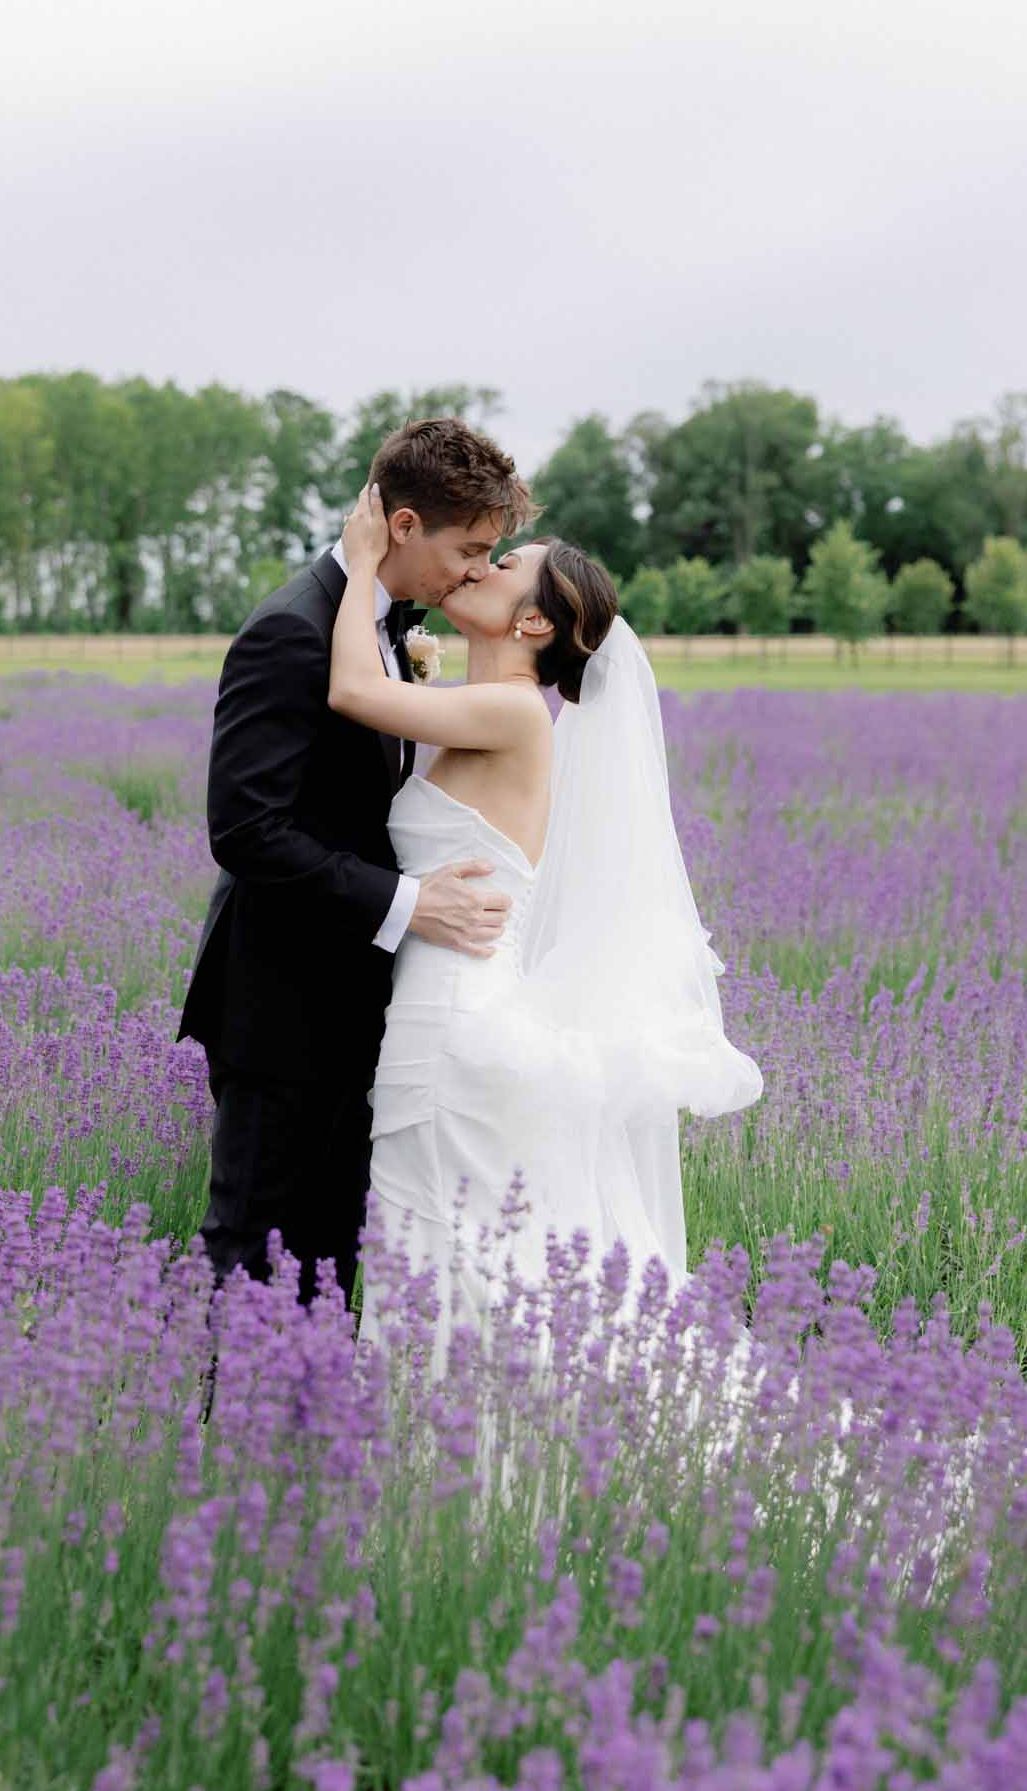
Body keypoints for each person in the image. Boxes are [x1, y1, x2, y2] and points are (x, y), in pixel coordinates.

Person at [327, 484, 765, 1385]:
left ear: (533, 626)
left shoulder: (519, 712)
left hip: (454, 1028)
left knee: (457, 1277)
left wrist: (364, 561)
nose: (483, 566)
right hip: (445, 1016)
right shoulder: (481, 707)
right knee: (454, 1274)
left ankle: (475, 1478)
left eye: (507, 566)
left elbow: (346, 690)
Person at [177, 418, 539, 1324]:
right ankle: (222, 1448)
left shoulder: (382, 629)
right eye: (469, 548)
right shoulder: (291, 631)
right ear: (404, 526)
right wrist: (412, 905)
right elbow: (248, 830)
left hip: (361, 1003)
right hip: (281, 1005)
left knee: (331, 1257)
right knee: (253, 1248)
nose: (472, 571)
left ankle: (308, 1441)